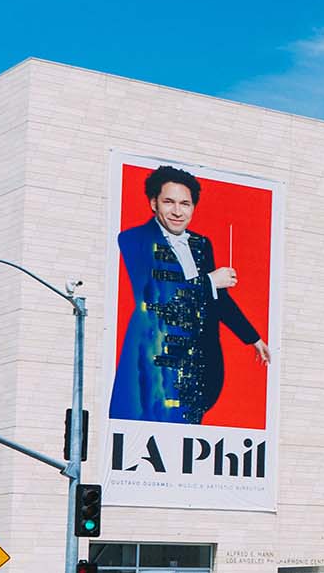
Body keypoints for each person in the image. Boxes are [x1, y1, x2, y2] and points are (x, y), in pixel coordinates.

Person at [110, 165, 270, 425]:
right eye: (168, 202)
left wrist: (253, 337)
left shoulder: (201, 244)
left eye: (185, 203)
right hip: (156, 362)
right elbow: (154, 295)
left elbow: (217, 301)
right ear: (154, 204)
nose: (177, 211)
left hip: (199, 366)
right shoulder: (132, 239)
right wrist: (209, 281)